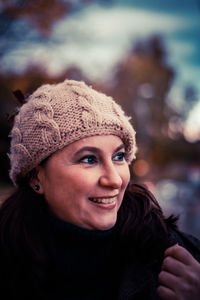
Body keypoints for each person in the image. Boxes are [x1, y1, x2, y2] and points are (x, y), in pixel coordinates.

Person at [0, 79, 199, 300]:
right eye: (89, 159)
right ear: (36, 177)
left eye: (119, 157)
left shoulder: (176, 258)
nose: (114, 180)